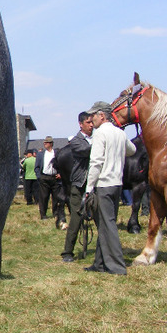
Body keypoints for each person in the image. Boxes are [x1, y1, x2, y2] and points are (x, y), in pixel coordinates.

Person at [84, 101, 136, 275]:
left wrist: (89, 187)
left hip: (103, 185)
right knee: (105, 224)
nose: (91, 119)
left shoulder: (100, 134)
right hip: (117, 185)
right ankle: (99, 263)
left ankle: (116, 266)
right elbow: (132, 150)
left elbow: (96, 162)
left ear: (102, 115)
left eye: (93, 116)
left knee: (108, 224)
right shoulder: (119, 133)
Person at [61, 112, 94, 262]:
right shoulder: (76, 141)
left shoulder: (96, 138)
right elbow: (86, 151)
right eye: (88, 122)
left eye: (92, 122)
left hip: (94, 184)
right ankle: (68, 251)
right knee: (76, 218)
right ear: (81, 124)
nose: (91, 125)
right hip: (79, 184)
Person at [34, 136, 63, 220]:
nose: (44, 144)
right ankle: (43, 215)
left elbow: (61, 165)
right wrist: (39, 176)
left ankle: (56, 213)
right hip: (44, 177)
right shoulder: (40, 154)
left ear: (51, 144)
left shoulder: (56, 153)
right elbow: (37, 167)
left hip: (55, 178)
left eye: (46, 143)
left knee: (56, 197)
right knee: (44, 197)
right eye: (44, 143)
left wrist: (60, 173)